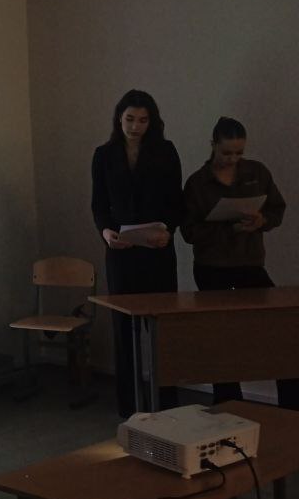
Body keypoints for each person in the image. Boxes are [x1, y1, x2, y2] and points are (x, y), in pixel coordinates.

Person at [180, 116, 297, 408]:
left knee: (280, 329)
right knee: (221, 338)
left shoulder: (257, 172)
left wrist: (261, 220)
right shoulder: (197, 183)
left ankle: (291, 407)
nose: (233, 159)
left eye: (239, 153)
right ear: (213, 145)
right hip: (212, 268)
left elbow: (277, 209)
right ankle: (228, 404)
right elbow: (189, 232)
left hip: (250, 263)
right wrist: (226, 228)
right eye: (226, 152)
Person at [91, 90, 183, 418]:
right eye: (130, 119)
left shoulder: (165, 151)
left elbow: (176, 201)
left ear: (151, 122)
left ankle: (167, 405)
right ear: (119, 118)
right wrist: (106, 233)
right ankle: (129, 408)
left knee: (163, 330)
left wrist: (168, 229)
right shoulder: (104, 154)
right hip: (121, 253)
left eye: (143, 120)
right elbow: (99, 205)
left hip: (157, 251)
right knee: (123, 330)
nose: (135, 126)